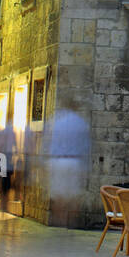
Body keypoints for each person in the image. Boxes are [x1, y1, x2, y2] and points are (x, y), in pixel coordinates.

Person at [43, 96, 91, 228]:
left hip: (58, 161)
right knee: (73, 194)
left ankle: (60, 220)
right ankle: (71, 222)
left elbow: (47, 141)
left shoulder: (55, 120)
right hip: (74, 161)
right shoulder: (81, 122)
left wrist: (46, 161)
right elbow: (85, 146)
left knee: (58, 194)